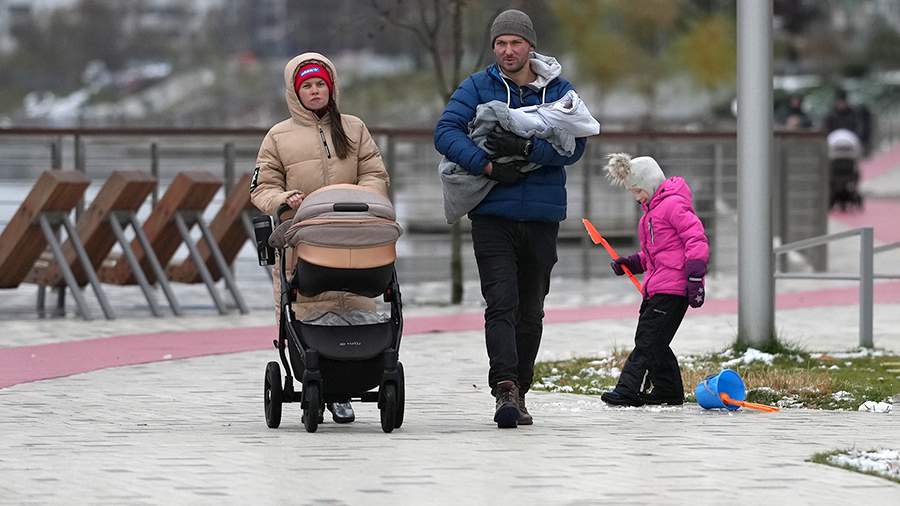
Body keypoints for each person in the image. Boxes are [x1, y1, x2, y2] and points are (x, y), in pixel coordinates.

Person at [434, 9, 589, 428]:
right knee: (500, 303)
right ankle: (504, 387)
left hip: (542, 215)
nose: (507, 50)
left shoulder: (558, 89)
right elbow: (445, 132)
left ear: (530, 46)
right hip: (492, 212)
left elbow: (575, 147)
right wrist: (485, 165)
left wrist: (524, 151)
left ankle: (521, 386)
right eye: (500, 43)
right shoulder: (478, 86)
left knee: (531, 309)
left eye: (514, 43)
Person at [250, 52, 390, 424]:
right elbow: (262, 187)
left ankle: (352, 379)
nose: (315, 91)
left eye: (320, 85)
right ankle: (322, 382)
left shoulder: (354, 128)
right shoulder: (278, 137)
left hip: (355, 238)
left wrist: (364, 202)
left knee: (356, 302)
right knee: (311, 307)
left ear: (331, 88)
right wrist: (283, 201)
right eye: (307, 86)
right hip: (305, 243)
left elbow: (375, 173)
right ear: (295, 92)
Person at [599, 153, 709, 407]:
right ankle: (668, 391)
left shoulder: (673, 206)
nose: (637, 197)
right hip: (657, 286)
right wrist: (632, 263)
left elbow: (696, 239)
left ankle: (627, 390)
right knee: (656, 341)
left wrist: (694, 276)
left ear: (649, 183)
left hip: (673, 289)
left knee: (647, 341)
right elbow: (654, 255)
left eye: (638, 191)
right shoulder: (651, 213)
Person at [824, 88, 873, 156]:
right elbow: (827, 129)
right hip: (835, 143)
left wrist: (857, 138)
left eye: (843, 102)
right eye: (839, 102)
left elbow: (859, 128)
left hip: (851, 142)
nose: (841, 105)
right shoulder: (831, 115)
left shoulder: (853, 114)